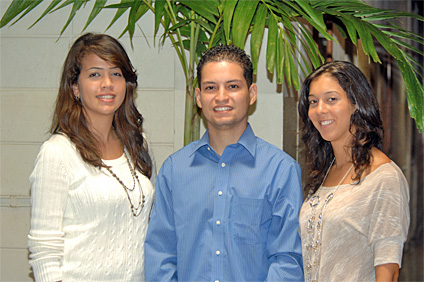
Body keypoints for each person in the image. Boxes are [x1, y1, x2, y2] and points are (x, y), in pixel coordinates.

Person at [144, 44, 304, 282]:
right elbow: (161, 256)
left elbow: (287, 260)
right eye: (211, 87)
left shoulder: (280, 170)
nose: (221, 97)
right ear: (198, 97)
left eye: (233, 86)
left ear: (251, 94)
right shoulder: (174, 170)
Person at [27, 33, 156, 281]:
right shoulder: (57, 152)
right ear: (75, 87)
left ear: (127, 84)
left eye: (116, 73)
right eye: (95, 74)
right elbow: (44, 251)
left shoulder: (138, 144)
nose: (107, 83)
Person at [298, 61, 410, 282]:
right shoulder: (326, 170)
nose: (320, 109)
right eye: (313, 101)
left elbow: (389, 270)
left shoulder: (383, 177)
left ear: (356, 103)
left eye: (332, 99)